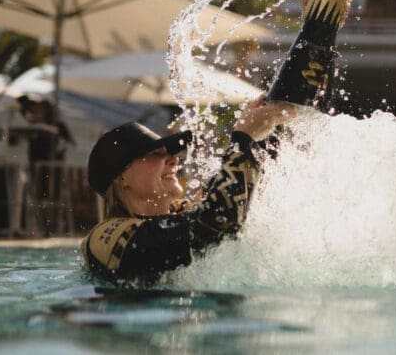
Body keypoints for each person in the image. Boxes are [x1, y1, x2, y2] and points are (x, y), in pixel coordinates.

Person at [81, 97, 296, 282]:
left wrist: (269, 123)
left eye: (172, 154)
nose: (174, 160)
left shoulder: (182, 214)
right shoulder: (102, 241)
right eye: (157, 154)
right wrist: (243, 140)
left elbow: (239, 192)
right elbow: (216, 223)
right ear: (123, 177)